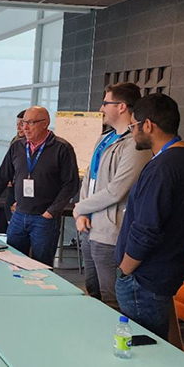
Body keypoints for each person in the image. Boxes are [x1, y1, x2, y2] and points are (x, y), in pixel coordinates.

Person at [114, 93, 184, 340]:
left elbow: (146, 230)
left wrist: (124, 271)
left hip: (145, 278)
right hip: (169, 271)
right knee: (158, 344)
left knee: (140, 348)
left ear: (148, 125)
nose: (132, 132)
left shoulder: (161, 168)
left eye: (133, 126)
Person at [73, 83, 150, 310]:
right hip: (88, 226)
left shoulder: (136, 144)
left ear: (122, 107)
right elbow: (89, 178)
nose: (101, 108)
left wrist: (80, 207)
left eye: (106, 103)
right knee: (92, 290)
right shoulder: (104, 138)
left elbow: (117, 190)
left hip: (110, 232)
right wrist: (82, 212)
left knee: (111, 298)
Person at [0, 106, 80, 266]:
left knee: (41, 268)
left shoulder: (61, 148)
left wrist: (51, 212)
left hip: (44, 219)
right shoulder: (17, 147)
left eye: (31, 123)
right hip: (18, 215)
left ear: (45, 123)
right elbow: (1, 177)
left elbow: (71, 184)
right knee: (12, 263)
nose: (25, 127)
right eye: (24, 122)